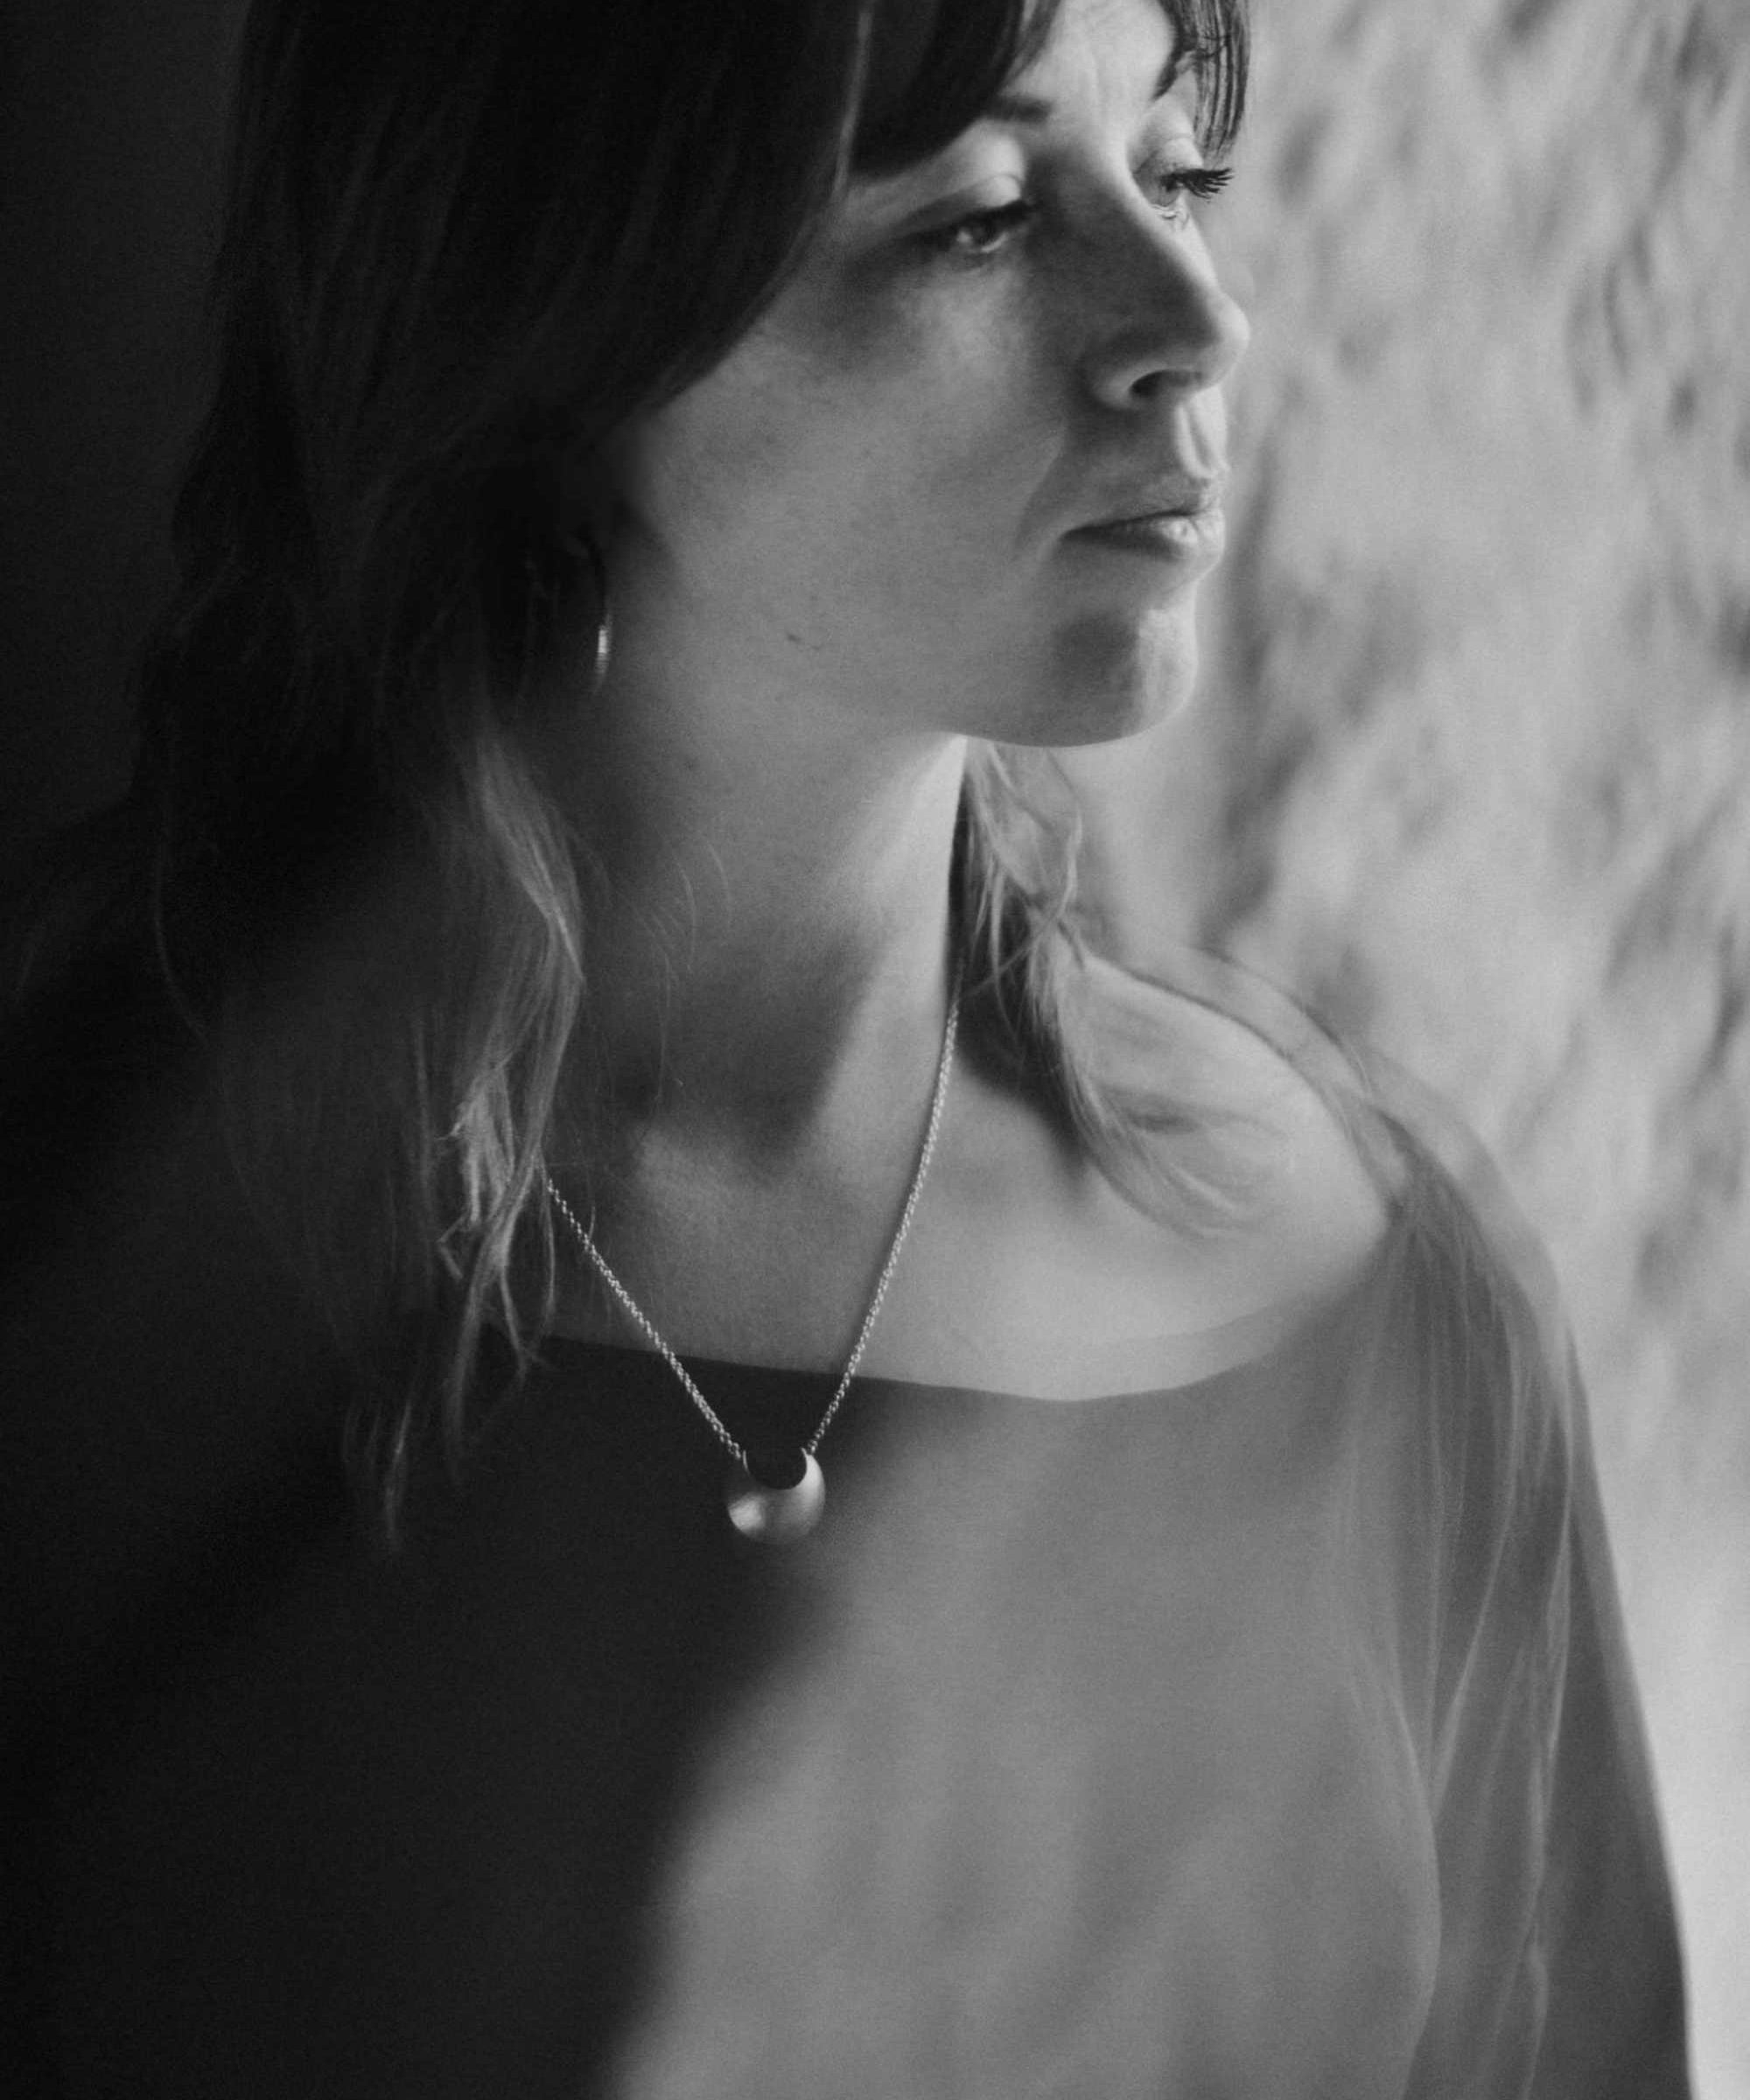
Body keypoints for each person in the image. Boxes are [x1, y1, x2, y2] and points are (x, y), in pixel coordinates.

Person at [0, 0, 1690, 2092]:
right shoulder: (84, 1238)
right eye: (974, 220)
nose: (1195, 316)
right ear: (553, 328)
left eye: (1174, 171)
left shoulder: (1385, 1300)